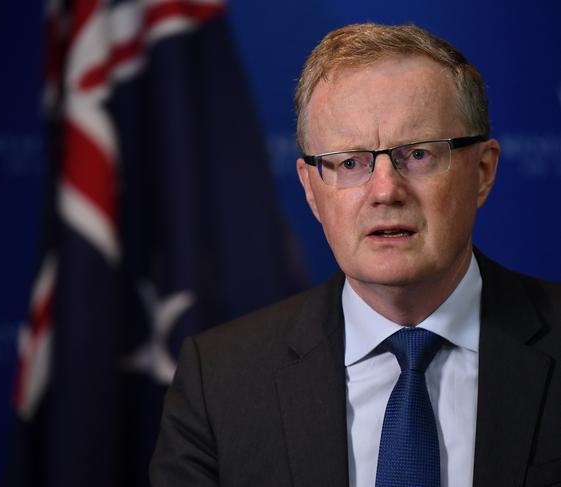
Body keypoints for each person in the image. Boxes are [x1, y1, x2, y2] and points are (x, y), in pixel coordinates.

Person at [149, 23, 561, 487]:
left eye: (419, 154)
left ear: (483, 172)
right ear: (310, 189)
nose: (385, 190)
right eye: (349, 163)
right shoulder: (220, 381)